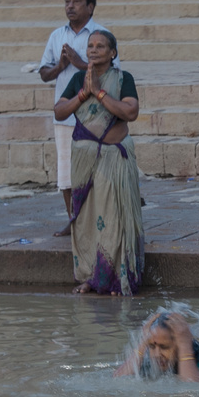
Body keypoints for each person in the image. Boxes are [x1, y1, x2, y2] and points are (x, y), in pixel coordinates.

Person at [52, 29, 144, 295]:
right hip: (84, 159)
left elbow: (130, 111)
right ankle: (91, 277)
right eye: (90, 46)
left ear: (112, 52)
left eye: (100, 46)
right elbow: (59, 111)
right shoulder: (79, 78)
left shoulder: (123, 79)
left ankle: (117, 279)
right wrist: (83, 94)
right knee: (86, 219)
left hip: (114, 157)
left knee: (114, 218)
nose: (93, 50)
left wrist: (99, 93)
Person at [38, 0, 110, 237]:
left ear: (90, 6)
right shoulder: (57, 36)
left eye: (76, 1)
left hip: (96, 115)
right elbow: (44, 73)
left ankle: (101, 219)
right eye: (67, 1)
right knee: (66, 175)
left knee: (96, 172)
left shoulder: (102, 35)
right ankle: (75, 221)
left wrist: (80, 64)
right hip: (66, 114)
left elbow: (113, 73)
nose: (70, 6)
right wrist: (61, 66)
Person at [117, 311, 199, 381]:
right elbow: (119, 380)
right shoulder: (151, 361)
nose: (156, 354)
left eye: (164, 347)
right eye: (151, 346)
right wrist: (142, 343)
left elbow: (192, 389)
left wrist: (185, 345)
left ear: (179, 343)